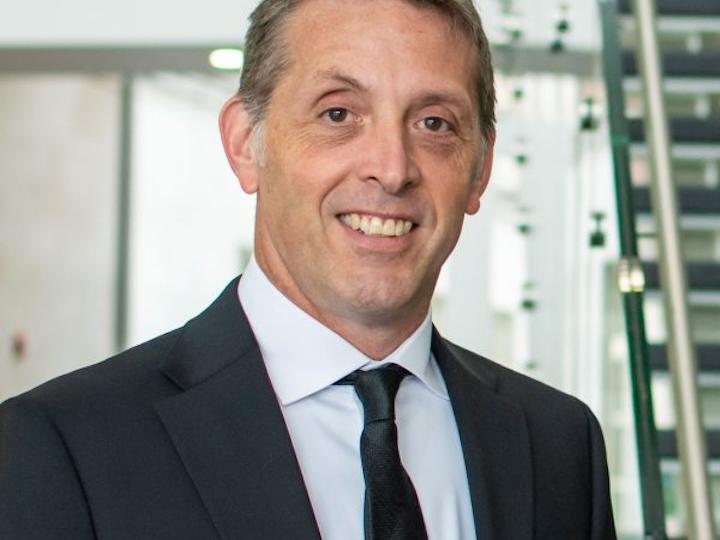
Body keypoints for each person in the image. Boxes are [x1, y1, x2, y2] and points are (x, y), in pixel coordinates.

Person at [0, 0, 617, 538]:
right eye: (338, 114)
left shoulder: (559, 445)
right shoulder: (62, 448)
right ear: (246, 144)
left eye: (434, 123)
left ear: (479, 171)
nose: (391, 167)